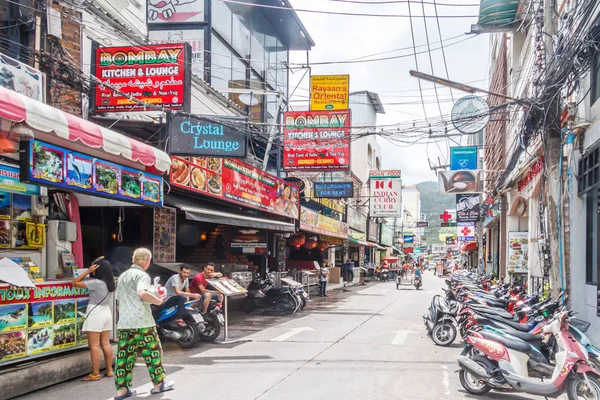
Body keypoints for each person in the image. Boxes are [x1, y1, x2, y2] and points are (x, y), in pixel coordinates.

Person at [114, 248, 174, 400]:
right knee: (153, 352)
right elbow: (142, 293)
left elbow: (119, 298)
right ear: (147, 260)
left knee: (124, 356)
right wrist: (158, 300)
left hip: (125, 323)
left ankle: (122, 389)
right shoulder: (142, 275)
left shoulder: (122, 276)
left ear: (134, 258)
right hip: (142, 321)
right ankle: (159, 384)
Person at [72, 256, 115, 382]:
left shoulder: (95, 283)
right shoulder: (110, 283)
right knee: (106, 343)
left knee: (94, 346)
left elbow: (74, 283)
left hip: (95, 313)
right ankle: (109, 370)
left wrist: (87, 271)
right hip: (106, 312)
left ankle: (95, 373)